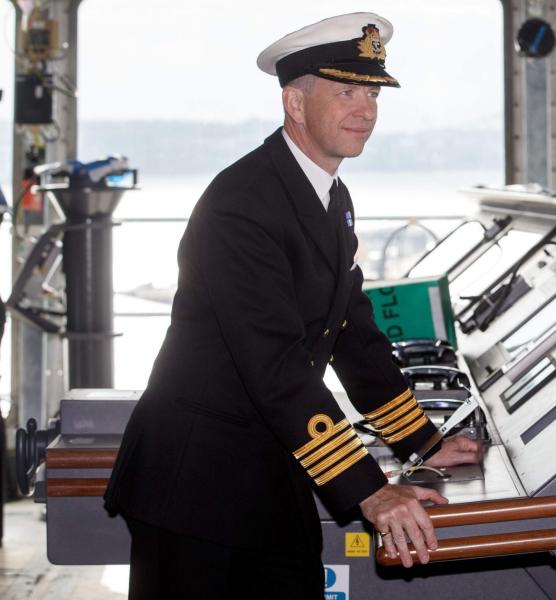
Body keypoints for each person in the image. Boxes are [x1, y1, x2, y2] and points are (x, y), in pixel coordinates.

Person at [104, 12, 483, 598]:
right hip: (195, 486)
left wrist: (422, 441)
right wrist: (371, 491)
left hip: (266, 468)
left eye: (373, 93)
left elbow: (353, 334)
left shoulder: (327, 194)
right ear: (295, 104)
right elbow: (275, 365)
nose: (367, 110)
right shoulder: (242, 205)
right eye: (347, 92)